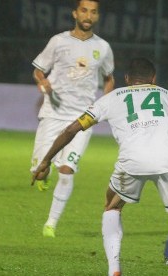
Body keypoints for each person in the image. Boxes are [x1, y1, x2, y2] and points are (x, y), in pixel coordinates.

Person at [32, 57, 168, 276]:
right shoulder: (165, 95)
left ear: (127, 79)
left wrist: (46, 160)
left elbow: (72, 129)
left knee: (112, 207)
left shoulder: (112, 98)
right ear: (153, 79)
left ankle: (114, 270)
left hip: (132, 162)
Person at [30, 0, 115, 238]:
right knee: (39, 170)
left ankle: (51, 224)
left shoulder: (103, 47)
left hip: (81, 118)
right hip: (53, 114)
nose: (88, 15)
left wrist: (103, 105)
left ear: (97, 17)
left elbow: (109, 78)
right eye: (84, 10)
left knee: (67, 170)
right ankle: (42, 173)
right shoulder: (58, 41)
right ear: (75, 13)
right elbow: (38, 69)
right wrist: (42, 81)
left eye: (93, 11)